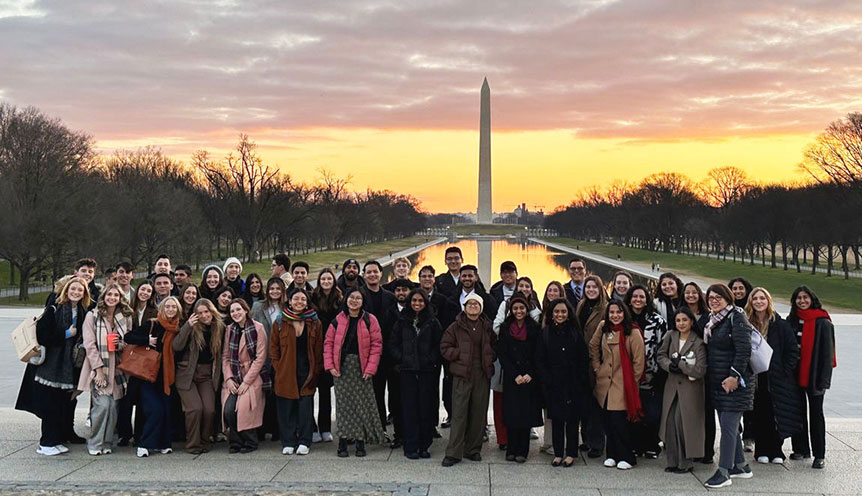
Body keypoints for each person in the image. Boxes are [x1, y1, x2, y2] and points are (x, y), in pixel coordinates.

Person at [16, 277, 91, 455]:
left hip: (68, 365)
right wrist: (66, 334)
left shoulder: (81, 310)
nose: (76, 292)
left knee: (60, 405)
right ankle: (46, 443)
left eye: (80, 290)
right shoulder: (54, 309)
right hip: (50, 365)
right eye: (73, 289)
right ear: (66, 290)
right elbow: (43, 335)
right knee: (50, 405)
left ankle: (56, 439)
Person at [701, 284, 754, 489]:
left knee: (729, 428)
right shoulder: (714, 319)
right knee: (728, 425)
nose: (714, 300)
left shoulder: (737, 317)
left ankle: (724, 472)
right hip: (720, 382)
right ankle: (740, 466)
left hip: (735, 383)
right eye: (711, 297)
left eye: (718, 297)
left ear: (728, 298)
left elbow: (744, 351)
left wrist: (734, 376)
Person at [745, 287, 805, 465]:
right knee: (759, 414)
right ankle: (761, 449)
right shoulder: (747, 323)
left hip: (776, 377)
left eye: (762, 298)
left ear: (768, 301)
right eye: (755, 298)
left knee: (776, 414)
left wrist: (785, 371)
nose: (758, 301)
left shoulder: (779, 323)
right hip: (755, 377)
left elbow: (792, 350)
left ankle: (776, 449)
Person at [323, 288, 385, 457]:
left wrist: (371, 368)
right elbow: (328, 344)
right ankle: (342, 441)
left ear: (363, 301)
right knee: (343, 406)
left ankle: (360, 442)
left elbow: (376, 345)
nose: (355, 301)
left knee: (361, 406)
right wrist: (330, 366)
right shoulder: (338, 320)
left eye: (358, 298)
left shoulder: (370, 320)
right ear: (346, 299)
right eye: (352, 297)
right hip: (341, 368)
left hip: (361, 367)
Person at [440, 294, 496, 467]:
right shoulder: (455, 326)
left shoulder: (486, 326)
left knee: (478, 414)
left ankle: (473, 449)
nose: (473, 306)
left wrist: (489, 358)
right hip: (462, 374)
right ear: (464, 307)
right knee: (459, 413)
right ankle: (453, 453)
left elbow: (495, 346)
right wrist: (458, 355)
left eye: (476, 304)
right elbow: (444, 347)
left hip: (481, 374)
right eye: (469, 303)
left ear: (481, 307)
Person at [78, 284, 133, 455]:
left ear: (120, 298)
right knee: (102, 406)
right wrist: (98, 370)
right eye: (109, 294)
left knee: (114, 407)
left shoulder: (125, 317)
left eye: (116, 295)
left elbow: (129, 342)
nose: (112, 298)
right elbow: (89, 344)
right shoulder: (92, 316)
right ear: (103, 297)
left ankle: (107, 442)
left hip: (118, 370)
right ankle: (95, 443)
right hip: (99, 368)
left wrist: (120, 345)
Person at [589, 301, 645, 470]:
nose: (615, 315)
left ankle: (626, 456)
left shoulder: (633, 332)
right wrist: (597, 368)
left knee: (620, 422)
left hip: (623, 384)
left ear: (624, 313)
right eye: (612, 312)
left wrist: (631, 382)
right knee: (607, 420)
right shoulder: (603, 327)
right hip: (604, 382)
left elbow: (639, 361)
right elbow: (593, 346)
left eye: (619, 312)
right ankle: (612, 454)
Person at [124, 296, 182, 458]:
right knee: (155, 410)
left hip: (165, 378)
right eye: (168, 306)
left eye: (174, 307)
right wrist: (146, 340)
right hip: (147, 377)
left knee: (166, 411)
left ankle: (163, 443)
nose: (171, 310)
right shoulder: (152, 324)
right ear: (162, 309)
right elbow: (128, 337)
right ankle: (144, 444)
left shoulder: (177, 328)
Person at [389, 289, 444, 459]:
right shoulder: (402, 321)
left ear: (425, 303)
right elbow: (392, 344)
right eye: (414, 301)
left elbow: (439, 345)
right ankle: (410, 445)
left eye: (420, 301)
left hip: (426, 372)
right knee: (409, 409)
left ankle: (424, 445)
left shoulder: (433, 322)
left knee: (425, 409)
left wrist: (430, 360)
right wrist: (403, 359)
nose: (417, 304)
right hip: (407, 372)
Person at [536, 298, 590, 467]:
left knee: (572, 420)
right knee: (557, 420)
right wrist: (546, 379)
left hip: (573, 383)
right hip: (554, 384)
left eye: (563, 312)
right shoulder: (545, 333)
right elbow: (540, 359)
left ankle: (571, 453)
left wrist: (580, 380)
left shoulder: (575, 332)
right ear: (551, 314)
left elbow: (583, 358)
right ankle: (558, 453)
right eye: (557, 312)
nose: (560, 315)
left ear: (568, 314)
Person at [788, 285, 836, 470]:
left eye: (805, 297)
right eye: (798, 298)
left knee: (816, 414)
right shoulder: (792, 320)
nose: (802, 301)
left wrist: (825, 380)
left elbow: (828, 354)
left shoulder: (822, 321)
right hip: (794, 375)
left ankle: (819, 454)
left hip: (814, 375)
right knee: (797, 412)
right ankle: (801, 449)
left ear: (812, 299)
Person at [271, 288, 323, 455]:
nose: (299, 302)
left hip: (307, 371)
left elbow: (318, 348)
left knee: (305, 407)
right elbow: (274, 349)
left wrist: (316, 370)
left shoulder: (314, 322)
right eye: (296, 299)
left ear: (307, 302)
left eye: (303, 299)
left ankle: (304, 441)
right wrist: (278, 368)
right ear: (290, 301)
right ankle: (288, 440)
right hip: (286, 371)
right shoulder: (280, 321)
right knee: (286, 407)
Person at [657, 307, 707, 474]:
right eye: (678, 320)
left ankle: (685, 463)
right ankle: (672, 461)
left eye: (684, 320)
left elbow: (700, 370)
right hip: (672, 387)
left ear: (691, 321)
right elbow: (661, 356)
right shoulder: (670, 337)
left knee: (683, 424)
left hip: (690, 390)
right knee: (670, 423)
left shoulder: (698, 342)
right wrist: (670, 366)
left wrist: (681, 365)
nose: (681, 323)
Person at [495, 295, 543, 463]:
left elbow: (538, 354)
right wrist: (514, 374)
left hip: (529, 378)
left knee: (525, 415)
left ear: (526, 309)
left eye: (522, 308)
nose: (519, 311)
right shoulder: (505, 327)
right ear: (511, 310)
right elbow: (502, 354)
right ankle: (511, 448)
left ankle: (522, 450)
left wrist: (530, 373)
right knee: (511, 414)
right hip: (512, 377)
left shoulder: (535, 328)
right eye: (515, 308)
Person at [173, 298, 224, 454]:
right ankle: (193, 444)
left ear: (212, 311)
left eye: (206, 312)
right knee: (195, 409)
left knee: (209, 410)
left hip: (207, 375)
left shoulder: (220, 328)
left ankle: (204, 441)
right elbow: (176, 345)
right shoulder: (191, 327)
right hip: (187, 374)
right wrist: (188, 326)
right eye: (200, 313)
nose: (203, 316)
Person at [624, 284, 668, 459]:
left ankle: (651, 444)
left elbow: (663, 346)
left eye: (642, 297)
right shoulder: (624, 319)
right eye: (635, 296)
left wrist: (660, 373)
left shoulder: (657, 320)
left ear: (647, 299)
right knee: (632, 412)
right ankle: (634, 444)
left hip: (652, 374)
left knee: (652, 414)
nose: (638, 300)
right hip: (629, 375)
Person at [359, 260, 401, 447]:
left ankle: (395, 429)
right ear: (364, 274)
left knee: (394, 392)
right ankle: (377, 428)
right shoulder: (358, 295)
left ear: (380, 274)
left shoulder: (390, 297)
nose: (372, 275)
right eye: (369, 272)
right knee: (374, 393)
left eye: (375, 272)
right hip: (367, 352)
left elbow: (395, 325)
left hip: (388, 353)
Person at [221, 298, 270, 453]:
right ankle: (235, 442)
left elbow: (260, 358)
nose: (236, 313)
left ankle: (250, 441)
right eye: (232, 311)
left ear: (245, 310)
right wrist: (228, 378)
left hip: (252, 376)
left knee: (243, 409)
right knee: (229, 409)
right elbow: (226, 356)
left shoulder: (258, 328)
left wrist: (247, 382)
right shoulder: (230, 329)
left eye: (238, 309)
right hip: (234, 375)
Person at [576, 275, 610, 458]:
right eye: (588, 287)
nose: (590, 290)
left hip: (596, 361)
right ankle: (586, 439)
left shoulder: (605, 308)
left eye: (594, 287)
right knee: (585, 402)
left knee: (597, 404)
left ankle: (597, 443)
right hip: (582, 361)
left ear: (600, 289)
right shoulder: (582, 305)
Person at [251, 277, 286, 442]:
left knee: (279, 393)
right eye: (272, 289)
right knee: (263, 393)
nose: (275, 292)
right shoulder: (258, 306)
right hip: (262, 355)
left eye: (278, 289)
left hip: (281, 356)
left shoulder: (287, 307)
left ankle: (278, 429)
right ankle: (262, 429)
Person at [310, 269, 342, 443]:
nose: (326, 281)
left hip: (332, 349)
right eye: (323, 278)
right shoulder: (312, 298)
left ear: (333, 281)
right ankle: (312, 427)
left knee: (325, 391)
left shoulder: (339, 299)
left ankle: (325, 428)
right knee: (309, 390)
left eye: (329, 278)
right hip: (314, 349)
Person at [538, 280, 567, 453]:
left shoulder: (565, 313)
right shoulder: (543, 313)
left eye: (556, 291)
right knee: (547, 406)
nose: (553, 293)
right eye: (550, 290)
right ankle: (548, 441)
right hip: (547, 365)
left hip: (561, 367)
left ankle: (560, 442)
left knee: (561, 406)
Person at [728, 276, 755, 451]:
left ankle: (749, 437)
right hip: (732, 360)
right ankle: (736, 433)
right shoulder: (728, 310)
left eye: (740, 288)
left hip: (750, 362)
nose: (737, 291)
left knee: (748, 403)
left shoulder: (752, 309)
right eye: (734, 288)